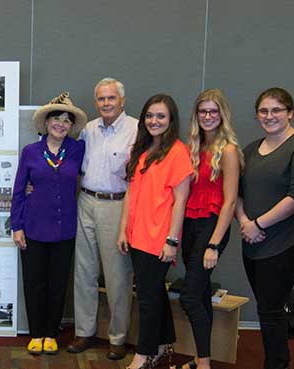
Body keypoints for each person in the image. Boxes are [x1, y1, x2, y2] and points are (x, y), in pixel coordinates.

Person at [237, 87, 294, 369]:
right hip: (252, 243)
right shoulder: (250, 150)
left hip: (284, 245)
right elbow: (237, 194)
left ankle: (277, 364)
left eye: (276, 110)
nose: (269, 116)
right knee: (267, 309)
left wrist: (258, 224)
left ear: (290, 113)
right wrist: (245, 223)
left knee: (271, 311)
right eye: (263, 111)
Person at [117, 94, 192, 369]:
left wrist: (172, 241)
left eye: (161, 116)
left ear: (171, 120)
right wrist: (124, 230)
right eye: (150, 115)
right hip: (136, 235)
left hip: (158, 237)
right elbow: (130, 193)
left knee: (147, 298)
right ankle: (163, 343)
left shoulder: (178, 153)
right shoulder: (141, 150)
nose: (154, 121)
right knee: (155, 292)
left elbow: (181, 200)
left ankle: (143, 354)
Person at [66, 78, 138, 360]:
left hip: (116, 205)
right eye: (101, 99)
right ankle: (84, 332)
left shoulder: (135, 129)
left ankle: (118, 337)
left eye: (110, 98)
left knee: (117, 275)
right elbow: (72, 163)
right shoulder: (88, 130)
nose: (105, 103)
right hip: (84, 200)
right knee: (83, 271)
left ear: (122, 100)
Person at [11, 92, 86, 355]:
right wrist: (16, 226)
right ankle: (36, 333)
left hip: (64, 229)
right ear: (46, 122)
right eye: (56, 118)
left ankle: (51, 333)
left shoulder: (78, 149)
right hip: (32, 228)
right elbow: (19, 190)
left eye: (67, 120)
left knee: (57, 284)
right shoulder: (31, 152)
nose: (61, 124)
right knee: (34, 283)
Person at [173, 89, 242, 369]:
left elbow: (230, 202)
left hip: (212, 227)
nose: (208, 116)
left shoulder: (228, 150)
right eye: (203, 111)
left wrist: (213, 244)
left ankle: (203, 365)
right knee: (200, 295)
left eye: (214, 111)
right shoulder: (192, 147)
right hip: (190, 224)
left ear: (222, 114)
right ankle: (203, 360)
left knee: (189, 296)